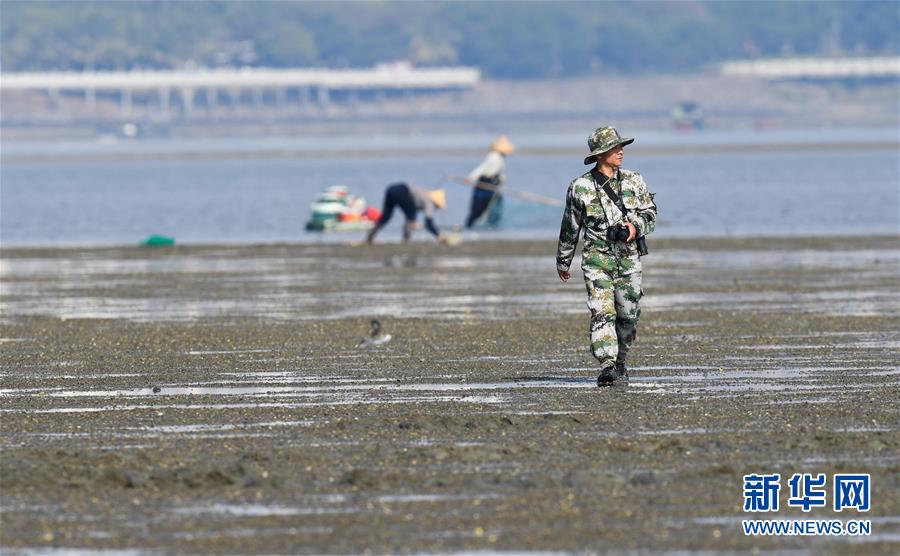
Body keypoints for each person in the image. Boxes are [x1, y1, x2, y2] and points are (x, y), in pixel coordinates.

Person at [556, 126, 657, 386]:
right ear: (600, 154)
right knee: (602, 312)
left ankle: (620, 361)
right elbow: (570, 226)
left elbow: (650, 213)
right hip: (596, 260)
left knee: (628, 316)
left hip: (629, 260)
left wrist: (635, 227)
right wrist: (564, 261)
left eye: (621, 146)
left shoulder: (635, 180)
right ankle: (607, 364)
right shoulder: (580, 187)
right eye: (614, 148)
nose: (620, 151)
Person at [365, 182, 447, 244]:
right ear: (437, 204)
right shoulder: (430, 203)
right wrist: (438, 235)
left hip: (391, 189)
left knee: (386, 216)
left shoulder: (424, 194)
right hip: (403, 191)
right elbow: (428, 223)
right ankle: (406, 239)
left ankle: (370, 237)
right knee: (411, 216)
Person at [464, 135, 515, 228]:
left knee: (492, 206)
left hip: (492, 186)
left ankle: (486, 225)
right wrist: (471, 177)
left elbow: (497, 172)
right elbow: (482, 168)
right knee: (478, 210)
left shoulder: (500, 157)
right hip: (485, 185)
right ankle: (471, 226)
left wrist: (502, 179)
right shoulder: (494, 157)